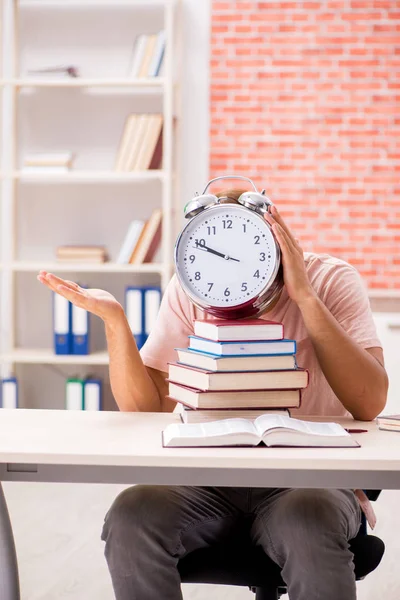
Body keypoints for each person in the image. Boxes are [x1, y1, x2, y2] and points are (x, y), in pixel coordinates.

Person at [37, 189, 388, 600]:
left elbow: (369, 403)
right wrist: (115, 322)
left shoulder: (331, 279)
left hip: (309, 480)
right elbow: (145, 408)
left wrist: (304, 295)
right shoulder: (190, 285)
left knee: (307, 517)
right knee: (132, 516)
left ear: (275, 236)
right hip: (208, 481)